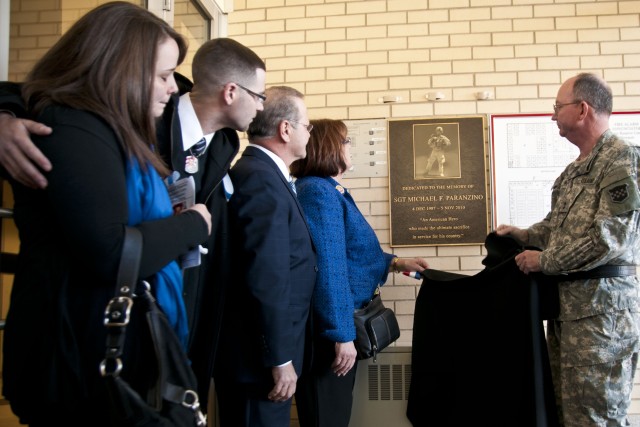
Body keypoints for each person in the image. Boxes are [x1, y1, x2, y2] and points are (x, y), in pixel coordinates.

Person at [0, 37, 267, 404]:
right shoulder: (135, 117)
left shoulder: (224, 144)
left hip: (177, 309)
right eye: (260, 96)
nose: (262, 107)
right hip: (100, 327)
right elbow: (28, 94)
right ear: (231, 91)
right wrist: (3, 118)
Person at [496, 72, 640, 427]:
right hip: (567, 317)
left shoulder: (622, 161)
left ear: (582, 110)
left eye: (557, 107)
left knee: (596, 418)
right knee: (565, 416)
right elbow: (557, 229)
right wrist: (523, 234)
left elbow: (610, 239)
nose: (552, 115)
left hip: (600, 320)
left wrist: (544, 261)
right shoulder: (573, 172)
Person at [289, 118, 429, 427]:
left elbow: (351, 252)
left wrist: (396, 263)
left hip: (338, 326)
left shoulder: (329, 189)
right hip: (331, 332)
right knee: (328, 418)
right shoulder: (317, 192)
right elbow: (329, 268)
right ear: (329, 148)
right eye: (346, 141)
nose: (350, 146)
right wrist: (342, 336)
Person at [213, 86, 317, 427]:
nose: (309, 132)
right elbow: (266, 275)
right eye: (307, 125)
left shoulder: (268, 175)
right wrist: (279, 356)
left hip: (265, 355)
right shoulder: (258, 178)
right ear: (285, 129)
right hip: (259, 361)